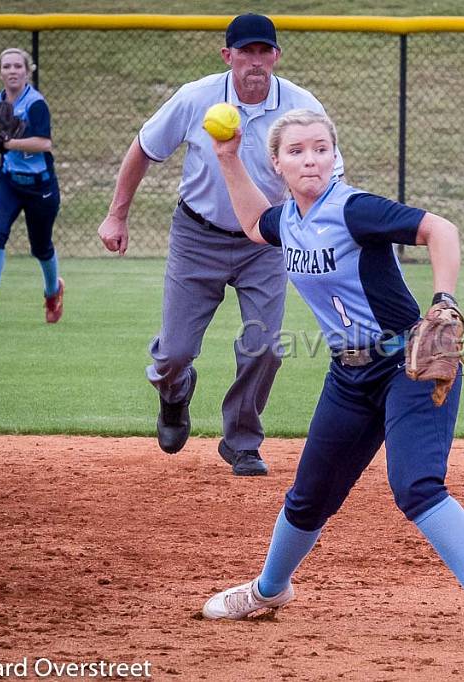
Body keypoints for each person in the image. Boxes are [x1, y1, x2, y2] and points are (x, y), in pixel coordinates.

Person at [200, 108, 464, 648]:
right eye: (298, 150)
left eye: (321, 148)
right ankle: (268, 590)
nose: (311, 158)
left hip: (410, 364)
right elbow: (256, 225)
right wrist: (229, 158)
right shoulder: (289, 220)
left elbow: (439, 229)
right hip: (348, 374)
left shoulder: (354, 209)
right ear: (277, 163)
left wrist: (443, 300)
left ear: (335, 156)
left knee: (416, 485)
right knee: (309, 496)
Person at [96, 14, 343, 476]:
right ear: (227, 56)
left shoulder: (300, 106)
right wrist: (117, 213)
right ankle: (174, 390)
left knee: (265, 346)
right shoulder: (197, 98)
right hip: (197, 236)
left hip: (266, 240)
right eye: (244, 52)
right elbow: (144, 148)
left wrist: (326, 229)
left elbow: (329, 173)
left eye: (263, 52)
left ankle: (241, 440)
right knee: (174, 352)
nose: (255, 62)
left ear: (276, 56)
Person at [0, 47, 64, 324]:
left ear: (27, 71)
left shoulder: (35, 103)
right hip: (8, 181)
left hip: (40, 185)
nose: (12, 71)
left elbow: (43, 143)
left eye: (17, 66)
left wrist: (9, 144)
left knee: (41, 247)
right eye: (7, 66)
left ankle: (52, 291)